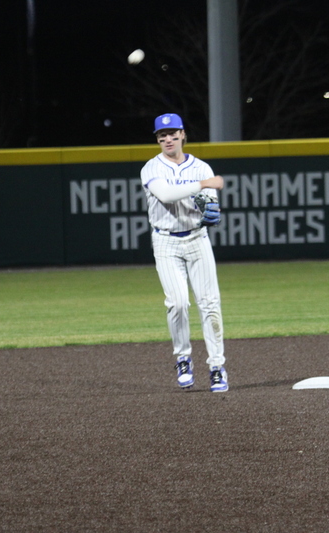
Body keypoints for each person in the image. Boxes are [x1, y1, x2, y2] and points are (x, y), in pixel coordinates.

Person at [140, 113, 228, 392]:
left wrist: (211, 207)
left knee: (209, 304)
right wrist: (205, 185)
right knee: (177, 303)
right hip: (165, 242)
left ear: (183, 135)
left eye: (172, 133)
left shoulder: (201, 167)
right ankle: (183, 358)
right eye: (161, 135)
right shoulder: (151, 168)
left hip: (197, 239)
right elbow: (165, 195)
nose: (167, 139)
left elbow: (210, 205)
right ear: (157, 139)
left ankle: (216, 366)